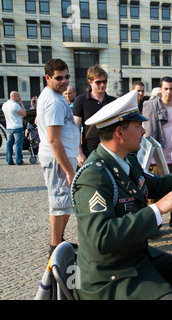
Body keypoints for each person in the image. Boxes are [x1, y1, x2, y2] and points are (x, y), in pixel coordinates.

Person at [71, 89, 172, 300]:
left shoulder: (127, 159)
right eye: (138, 126)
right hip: (109, 277)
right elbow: (102, 237)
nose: (144, 131)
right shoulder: (93, 176)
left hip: (132, 258)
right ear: (120, 133)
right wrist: (158, 208)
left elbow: (159, 185)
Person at [36, 59, 80, 256]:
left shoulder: (52, 95)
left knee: (64, 202)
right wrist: (70, 171)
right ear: (48, 78)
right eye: (59, 78)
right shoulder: (53, 102)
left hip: (61, 156)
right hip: (58, 158)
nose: (64, 81)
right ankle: (55, 247)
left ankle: (60, 241)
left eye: (67, 77)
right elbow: (54, 140)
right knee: (59, 201)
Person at [72, 65, 116, 167]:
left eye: (104, 81)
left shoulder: (113, 101)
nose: (102, 85)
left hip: (111, 146)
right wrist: (79, 153)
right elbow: (75, 129)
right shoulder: (81, 100)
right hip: (90, 147)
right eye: (98, 82)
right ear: (90, 81)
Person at [2, 91, 26, 165]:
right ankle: (19, 161)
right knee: (18, 144)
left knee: (9, 144)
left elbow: (12, 115)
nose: (19, 98)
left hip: (9, 127)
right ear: (13, 96)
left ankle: (9, 160)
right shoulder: (15, 105)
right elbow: (24, 113)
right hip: (17, 127)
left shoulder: (4, 105)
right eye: (18, 96)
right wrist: (21, 103)